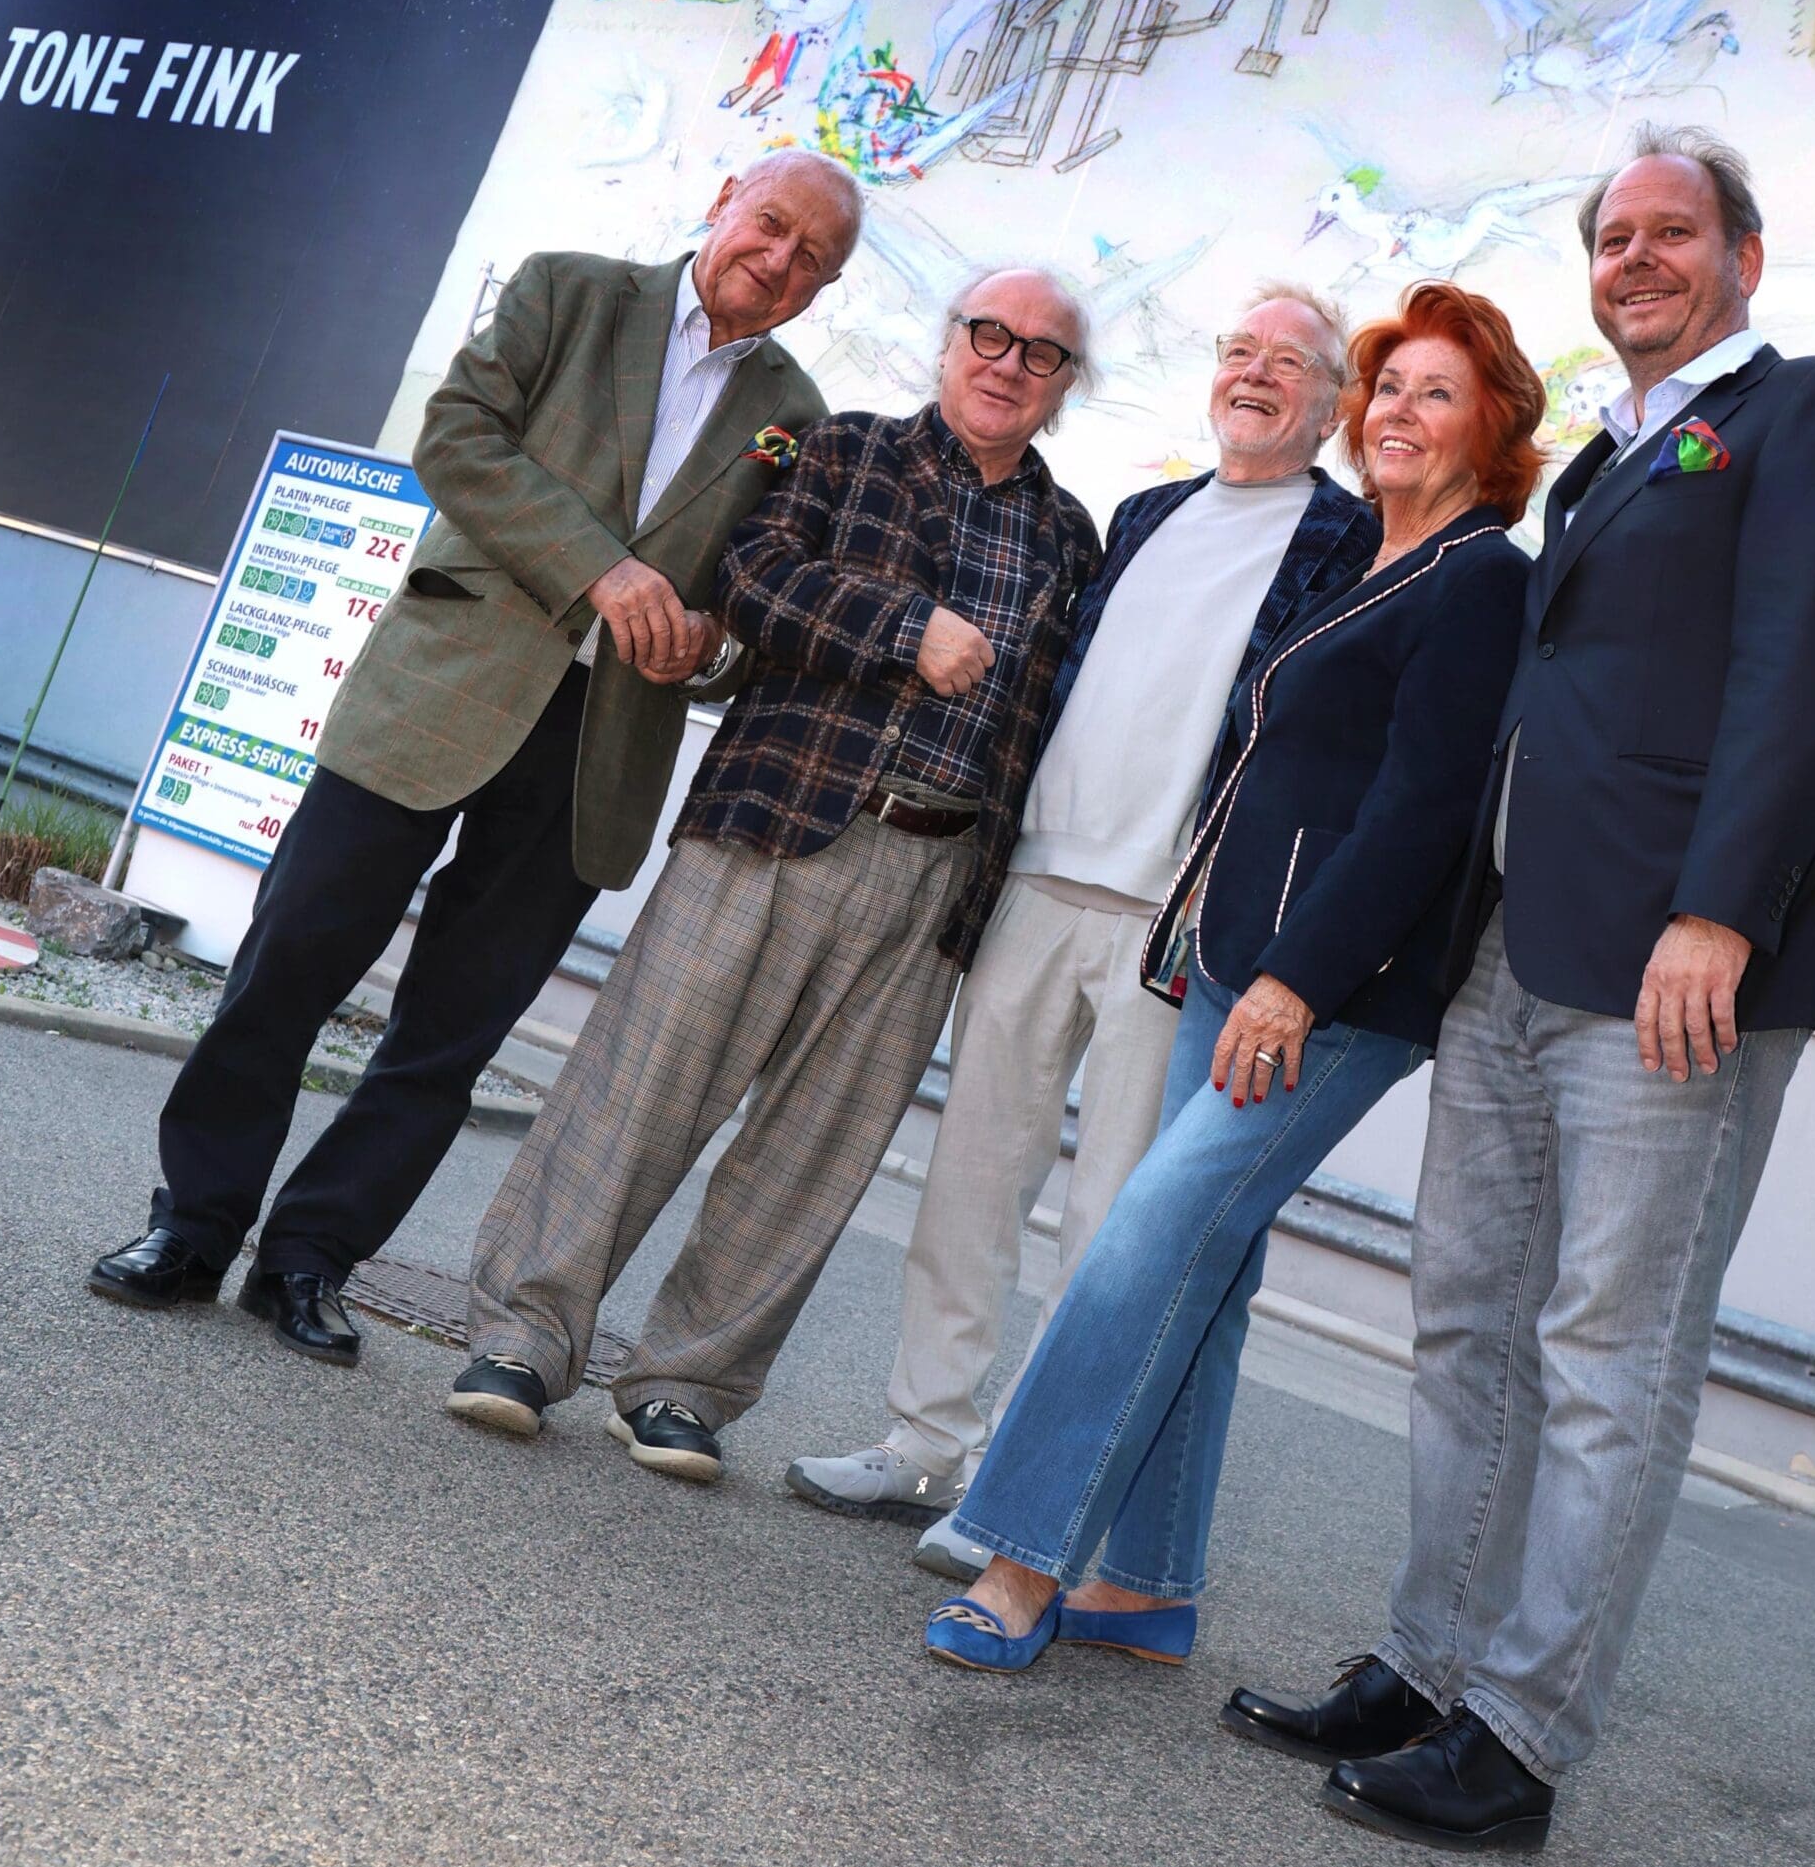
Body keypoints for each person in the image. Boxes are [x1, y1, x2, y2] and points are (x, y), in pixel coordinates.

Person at [1228, 125, 1815, 1854]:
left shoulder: (1812, 411)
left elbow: (1809, 674)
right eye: (1612, 237)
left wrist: (1720, 911)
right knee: (1467, 1323)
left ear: (1743, 257)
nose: (1636, 259)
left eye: (1672, 231)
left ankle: (1518, 1739)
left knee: (1610, 1351)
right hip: (1512, 952)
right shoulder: (1601, 463)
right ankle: (1426, 1664)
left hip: (1673, 971)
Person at [87, 151, 856, 1362]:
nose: (778, 259)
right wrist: (602, 570)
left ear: (824, 287)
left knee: (448, 1036)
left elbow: (753, 604)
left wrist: (711, 645)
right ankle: (192, 1224)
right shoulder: (569, 290)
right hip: (438, 688)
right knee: (288, 966)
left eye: (812, 256)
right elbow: (456, 438)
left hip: (598, 744)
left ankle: (309, 1258)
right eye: (770, 224)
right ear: (723, 202)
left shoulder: (798, 417)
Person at [918, 281, 1540, 1675]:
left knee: (1146, 1237)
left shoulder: (1481, 577)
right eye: (1389, 388)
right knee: (1210, 1263)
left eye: (1437, 394)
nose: (1399, 412)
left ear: (1493, 429)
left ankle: (1019, 1556)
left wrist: (1298, 981)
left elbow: (1424, 809)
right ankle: (1143, 1586)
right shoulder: (1376, 559)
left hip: (1327, 991)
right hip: (1233, 957)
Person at [444, 270, 1102, 1481]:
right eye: (990, 335)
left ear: (1065, 385)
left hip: (935, 870)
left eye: (1042, 352)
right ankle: (522, 1337)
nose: (1009, 363)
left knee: (815, 1150)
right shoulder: (842, 450)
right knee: (639, 1087)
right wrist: (903, 629)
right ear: (949, 342)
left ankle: (685, 1388)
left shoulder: (1071, 538)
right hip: (771, 821)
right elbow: (752, 576)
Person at [787, 285, 1377, 1566]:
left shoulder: (1349, 541)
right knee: (970, 1181)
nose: (1254, 374)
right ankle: (923, 1440)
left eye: (1288, 362)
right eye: (1238, 349)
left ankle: (1017, 1488)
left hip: (1174, 917)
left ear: (1333, 402)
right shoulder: (1146, 514)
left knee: (1108, 1224)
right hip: (1039, 881)